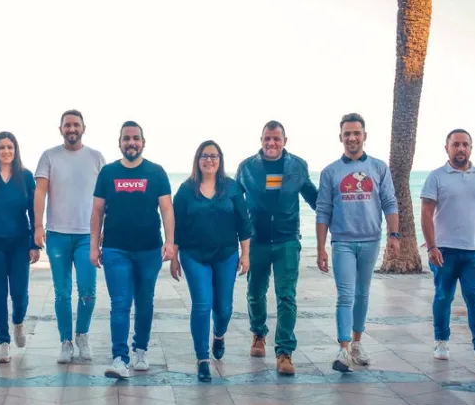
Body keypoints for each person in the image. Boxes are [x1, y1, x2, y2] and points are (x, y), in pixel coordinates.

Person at [315, 113, 400, 373]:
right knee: (345, 295)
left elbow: (389, 202)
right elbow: (323, 210)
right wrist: (320, 248)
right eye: (347, 134)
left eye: (356, 133)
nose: (352, 138)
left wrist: (394, 236)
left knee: (362, 293)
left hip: (370, 240)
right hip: (342, 241)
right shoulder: (330, 172)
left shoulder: (378, 168)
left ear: (364, 136)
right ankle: (342, 350)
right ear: (340, 137)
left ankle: (357, 344)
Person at [91, 120, 174, 379]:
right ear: (119, 143)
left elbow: (167, 209)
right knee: (120, 303)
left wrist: (170, 242)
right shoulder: (108, 173)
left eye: (135, 138)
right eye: (126, 138)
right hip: (115, 249)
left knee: (145, 301)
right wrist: (93, 246)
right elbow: (97, 211)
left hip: (149, 249)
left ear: (143, 142)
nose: (131, 142)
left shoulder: (156, 172)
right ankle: (119, 358)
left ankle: (140, 350)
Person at [421, 129, 475, 373]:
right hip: (444, 251)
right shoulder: (436, 177)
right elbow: (426, 214)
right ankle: (441, 340)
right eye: (456, 144)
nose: (461, 148)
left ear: (471, 148)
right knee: (443, 296)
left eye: (465, 144)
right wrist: (432, 246)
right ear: (446, 148)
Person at [235, 120, 318, 375]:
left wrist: (339, 218)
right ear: (261, 140)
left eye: (276, 138)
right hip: (257, 240)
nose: (271, 143)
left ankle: (284, 352)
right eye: (267, 138)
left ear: (284, 141)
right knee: (255, 293)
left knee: (286, 296)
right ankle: (258, 334)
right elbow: (235, 204)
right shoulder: (247, 168)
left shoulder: (297, 166)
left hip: (287, 241)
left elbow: (314, 198)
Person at [171, 140, 251, 383]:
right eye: (204, 156)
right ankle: (202, 359)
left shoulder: (232, 188)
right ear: (197, 160)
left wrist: (245, 254)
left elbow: (243, 223)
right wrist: (173, 257)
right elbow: (176, 226)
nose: (209, 160)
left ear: (220, 160)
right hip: (193, 255)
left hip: (226, 254)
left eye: (214, 156)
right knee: (202, 304)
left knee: (224, 308)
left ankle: (219, 335)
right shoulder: (186, 190)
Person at [34, 109, 106, 363]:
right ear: (61, 129)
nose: (72, 129)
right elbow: (40, 192)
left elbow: (105, 198)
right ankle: (66, 341)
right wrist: (38, 226)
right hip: (57, 235)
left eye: (76, 124)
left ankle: (82, 335)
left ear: (83, 128)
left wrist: (104, 230)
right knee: (62, 293)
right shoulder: (49, 156)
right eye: (67, 125)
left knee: (88, 291)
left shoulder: (96, 158)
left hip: (88, 236)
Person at [0, 132, 41, 364]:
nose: (6, 151)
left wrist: (34, 243)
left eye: (10, 147)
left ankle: (18, 322)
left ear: (15, 151)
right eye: (1, 147)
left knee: (19, 292)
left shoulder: (25, 176)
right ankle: (3, 342)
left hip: (19, 243)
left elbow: (33, 210)